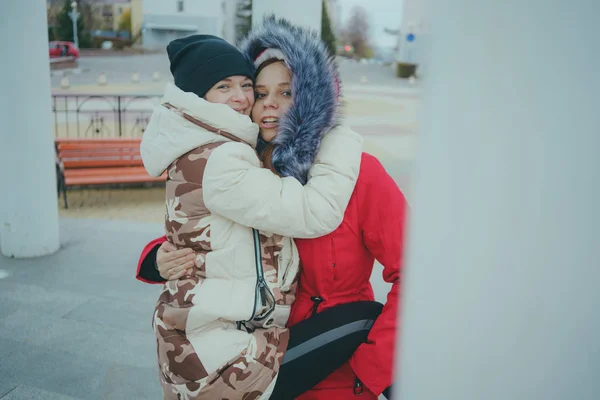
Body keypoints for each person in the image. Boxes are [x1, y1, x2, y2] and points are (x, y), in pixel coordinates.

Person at [139, 17, 406, 399]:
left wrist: (372, 369)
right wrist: (159, 258)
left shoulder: (359, 173)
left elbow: (417, 274)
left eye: (286, 92)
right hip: (259, 356)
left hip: (341, 363)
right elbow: (207, 231)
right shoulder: (245, 165)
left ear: (312, 97)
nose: (269, 106)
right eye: (260, 93)